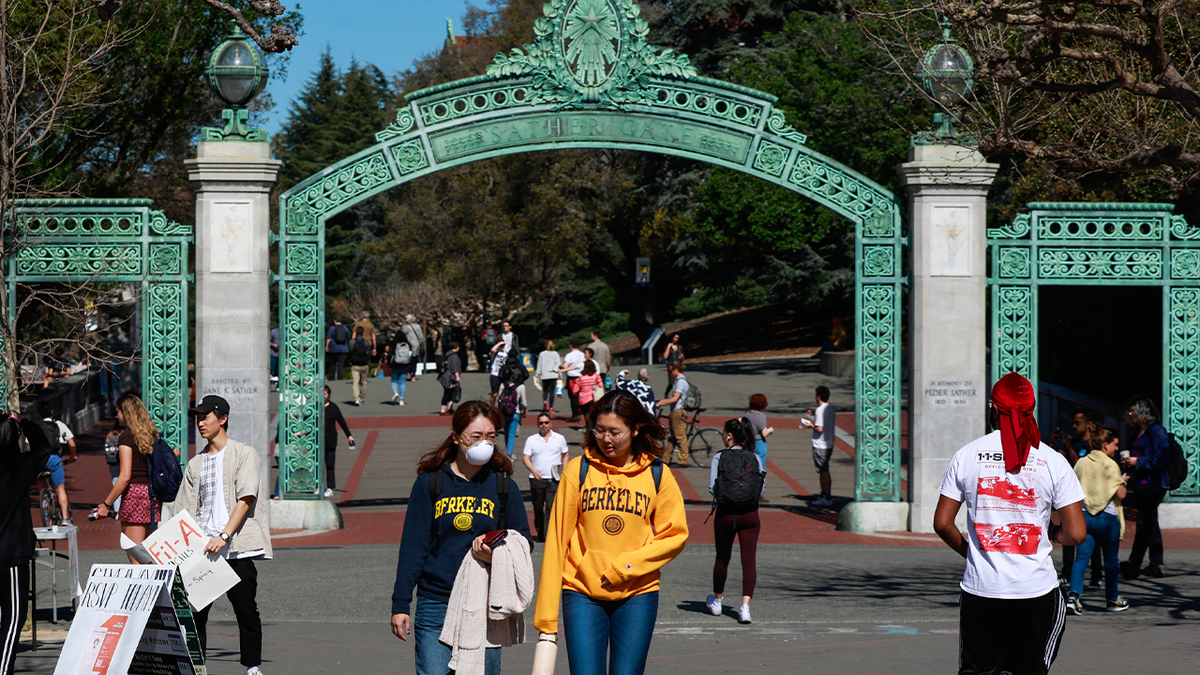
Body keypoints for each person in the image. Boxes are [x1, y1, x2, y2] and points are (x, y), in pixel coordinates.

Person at [933, 373, 1085, 675]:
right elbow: (1077, 533)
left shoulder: (967, 455)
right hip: (1034, 591)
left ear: (993, 408)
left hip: (981, 590)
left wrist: (973, 553)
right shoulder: (1052, 461)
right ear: (1031, 411)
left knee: (976, 670)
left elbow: (942, 523)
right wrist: (1052, 532)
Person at [534, 390, 688, 675]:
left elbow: (675, 535)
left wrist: (627, 566)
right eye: (600, 430)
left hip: (637, 593)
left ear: (635, 428)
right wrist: (546, 618)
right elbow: (556, 542)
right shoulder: (577, 470)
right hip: (581, 592)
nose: (606, 439)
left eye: (615, 432)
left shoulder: (657, 474)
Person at [389, 401, 532, 675]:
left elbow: (523, 542)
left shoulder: (503, 486)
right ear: (456, 437)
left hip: (484, 602)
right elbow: (413, 546)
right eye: (475, 437)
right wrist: (400, 604)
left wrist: (495, 555)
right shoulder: (431, 483)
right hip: (435, 602)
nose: (484, 444)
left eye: (491, 437)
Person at [176, 395, 272, 675]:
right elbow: (184, 510)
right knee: (195, 615)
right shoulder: (195, 463)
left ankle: (252, 667)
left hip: (236, 549)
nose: (200, 422)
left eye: (206, 416)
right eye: (198, 417)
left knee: (245, 610)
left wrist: (225, 535)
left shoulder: (244, 453)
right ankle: (197, 667)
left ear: (223, 418)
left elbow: (246, 498)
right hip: (204, 549)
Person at [1, 413, 54, 675]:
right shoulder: (18, 466)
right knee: (13, 618)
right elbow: (44, 447)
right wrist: (24, 422)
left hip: (10, 552)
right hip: (11, 555)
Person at [706, 418, 765, 624]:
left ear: (729, 436)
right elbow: (761, 490)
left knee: (722, 558)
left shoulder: (719, 457)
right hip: (750, 515)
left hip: (725, 514)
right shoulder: (754, 457)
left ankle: (718, 601)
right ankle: (745, 607)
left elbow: (713, 488)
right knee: (749, 561)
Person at [1066, 427, 1129, 614]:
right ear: (1105, 445)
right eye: (1115, 444)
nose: (1117, 448)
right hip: (1107, 518)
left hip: (1084, 516)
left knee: (1081, 559)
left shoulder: (1081, 463)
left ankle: (1073, 597)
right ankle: (1112, 599)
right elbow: (1120, 494)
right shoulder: (1110, 465)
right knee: (1111, 561)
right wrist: (1123, 480)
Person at [95, 394, 162, 561]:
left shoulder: (126, 437)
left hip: (135, 496)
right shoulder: (152, 435)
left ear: (126, 413)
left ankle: (145, 586)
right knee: (147, 554)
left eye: (118, 411)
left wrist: (106, 504)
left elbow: (125, 476)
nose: (117, 415)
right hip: (152, 495)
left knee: (135, 555)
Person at [1119, 394, 1171, 580]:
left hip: (1152, 484)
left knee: (1144, 523)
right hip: (1141, 483)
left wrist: (1137, 461)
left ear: (1143, 411)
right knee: (1150, 522)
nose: (1130, 413)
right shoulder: (1139, 432)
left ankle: (1135, 563)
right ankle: (1154, 564)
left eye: (1133, 409)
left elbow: (1161, 457)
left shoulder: (1155, 431)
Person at [1050, 409, 1100, 584]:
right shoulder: (1072, 442)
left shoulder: (1093, 445)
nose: (1074, 426)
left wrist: (1070, 446)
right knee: (1068, 533)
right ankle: (1067, 571)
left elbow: (1081, 465)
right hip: (1069, 494)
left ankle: (1096, 575)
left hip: (1089, 496)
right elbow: (1055, 460)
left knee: (1090, 535)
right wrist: (1052, 441)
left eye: (1077, 422)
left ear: (1088, 424)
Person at [523, 413, 569, 542]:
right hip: (536, 479)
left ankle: (547, 535)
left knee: (550, 507)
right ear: (538, 425)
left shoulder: (559, 438)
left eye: (546, 422)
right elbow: (526, 458)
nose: (544, 425)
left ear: (551, 423)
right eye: (541, 423)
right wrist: (534, 471)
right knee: (538, 507)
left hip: (553, 479)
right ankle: (540, 529)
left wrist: (564, 470)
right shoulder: (531, 440)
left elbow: (565, 454)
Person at [801, 386, 836, 506]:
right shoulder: (829, 409)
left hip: (820, 444)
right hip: (829, 442)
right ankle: (826, 494)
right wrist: (815, 412)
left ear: (818, 396)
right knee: (824, 469)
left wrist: (811, 426)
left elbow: (820, 428)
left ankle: (826, 496)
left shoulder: (821, 410)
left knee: (823, 470)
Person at [655, 363, 690, 467]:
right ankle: (666, 459)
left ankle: (683, 461)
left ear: (676, 369)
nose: (670, 373)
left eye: (671, 371)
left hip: (678, 412)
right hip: (675, 412)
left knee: (680, 437)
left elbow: (675, 398)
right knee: (672, 437)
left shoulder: (681, 382)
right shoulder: (679, 381)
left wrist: (661, 402)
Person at [323, 385, 354, 499]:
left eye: (325, 394)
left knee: (330, 465)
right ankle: (317, 486)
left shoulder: (333, 408)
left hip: (330, 440)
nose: (323, 396)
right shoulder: (315, 407)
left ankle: (330, 487)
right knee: (318, 465)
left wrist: (349, 435)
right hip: (318, 441)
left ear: (328, 395)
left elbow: (341, 421)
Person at [497, 369, 527, 459]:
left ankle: (508, 452)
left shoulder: (503, 385)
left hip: (504, 412)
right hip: (515, 412)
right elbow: (523, 402)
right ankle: (509, 454)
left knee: (506, 433)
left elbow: (499, 398)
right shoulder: (521, 387)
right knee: (512, 434)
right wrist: (524, 410)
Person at [743, 394, 774, 471]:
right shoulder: (761, 416)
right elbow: (764, 433)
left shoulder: (747, 414)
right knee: (760, 465)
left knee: (748, 465)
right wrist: (770, 430)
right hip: (759, 443)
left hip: (748, 442)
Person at [558, 339, 586, 422]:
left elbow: (565, 366)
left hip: (572, 377)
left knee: (573, 397)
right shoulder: (582, 354)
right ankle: (582, 412)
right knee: (580, 396)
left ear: (571, 345)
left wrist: (561, 366)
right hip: (581, 377)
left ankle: (575, 415)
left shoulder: (569, 355)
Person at [347, 326, 373, 406]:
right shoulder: (366, 342)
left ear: (356, 333)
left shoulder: (351, 342)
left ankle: (356, 399)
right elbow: (368, 354)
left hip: (355, 364)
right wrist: (368, 363)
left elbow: (350, 352)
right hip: (364, 364)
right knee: (363, 382)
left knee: (355, 382)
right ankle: (362, 398)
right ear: (363, 333)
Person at [535, 340, 562, 413]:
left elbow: (539, 365)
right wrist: (560, 374)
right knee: (552, 391)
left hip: (544, 374)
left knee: (545, 390)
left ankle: (545, 401)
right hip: (553, 374)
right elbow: (558, 365)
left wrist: (537, 374)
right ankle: (551, 407)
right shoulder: (556, 354)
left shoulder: (542, 354)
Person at [439, 341, 463, 416]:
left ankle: (450, 407)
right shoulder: (454, 356)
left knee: (452, 392)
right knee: (448, 392)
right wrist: (457, 376)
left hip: (446, 376)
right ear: (456, 348)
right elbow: (454, 367)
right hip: (450, 377)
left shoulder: (447, 355)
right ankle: (443, 409)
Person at [388, 329, 411, 406]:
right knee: (402, 383)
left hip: (395, 364)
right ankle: (401, 400)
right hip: (405, 365)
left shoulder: (393, 344)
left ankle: (395, 393)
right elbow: (411, 355)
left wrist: (389, 363)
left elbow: (390, 355)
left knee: (394, 381)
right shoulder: (408, 344)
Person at [402, 315, 425, 382]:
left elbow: (402, 336)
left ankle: (411, 372)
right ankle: (413, 375)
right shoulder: (418, 326)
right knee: (415, 361)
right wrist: (421, 344)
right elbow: (421, 336)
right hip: (417, 345)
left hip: (409, 346)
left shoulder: (406, 327)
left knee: (409, 360)